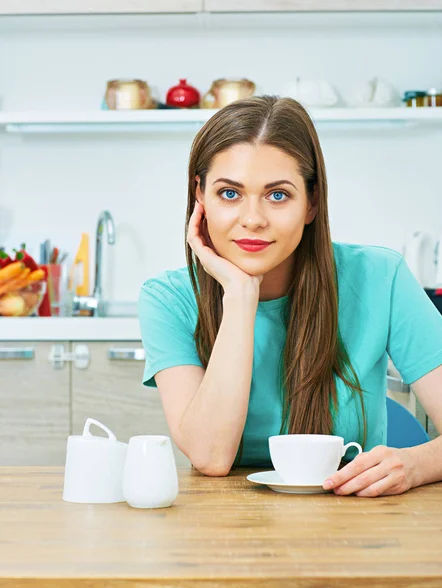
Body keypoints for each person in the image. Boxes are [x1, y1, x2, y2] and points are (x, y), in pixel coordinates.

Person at [138, 95, 442, 497]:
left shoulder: (380, 278)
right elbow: (210, 457)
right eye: (229, 194)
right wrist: (241, 296)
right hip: (222, 530)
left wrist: (417, 464)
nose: (252, 219)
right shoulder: (168, 299)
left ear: (312, 202)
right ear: (201, 197)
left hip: (355, 522)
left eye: (277, 195)